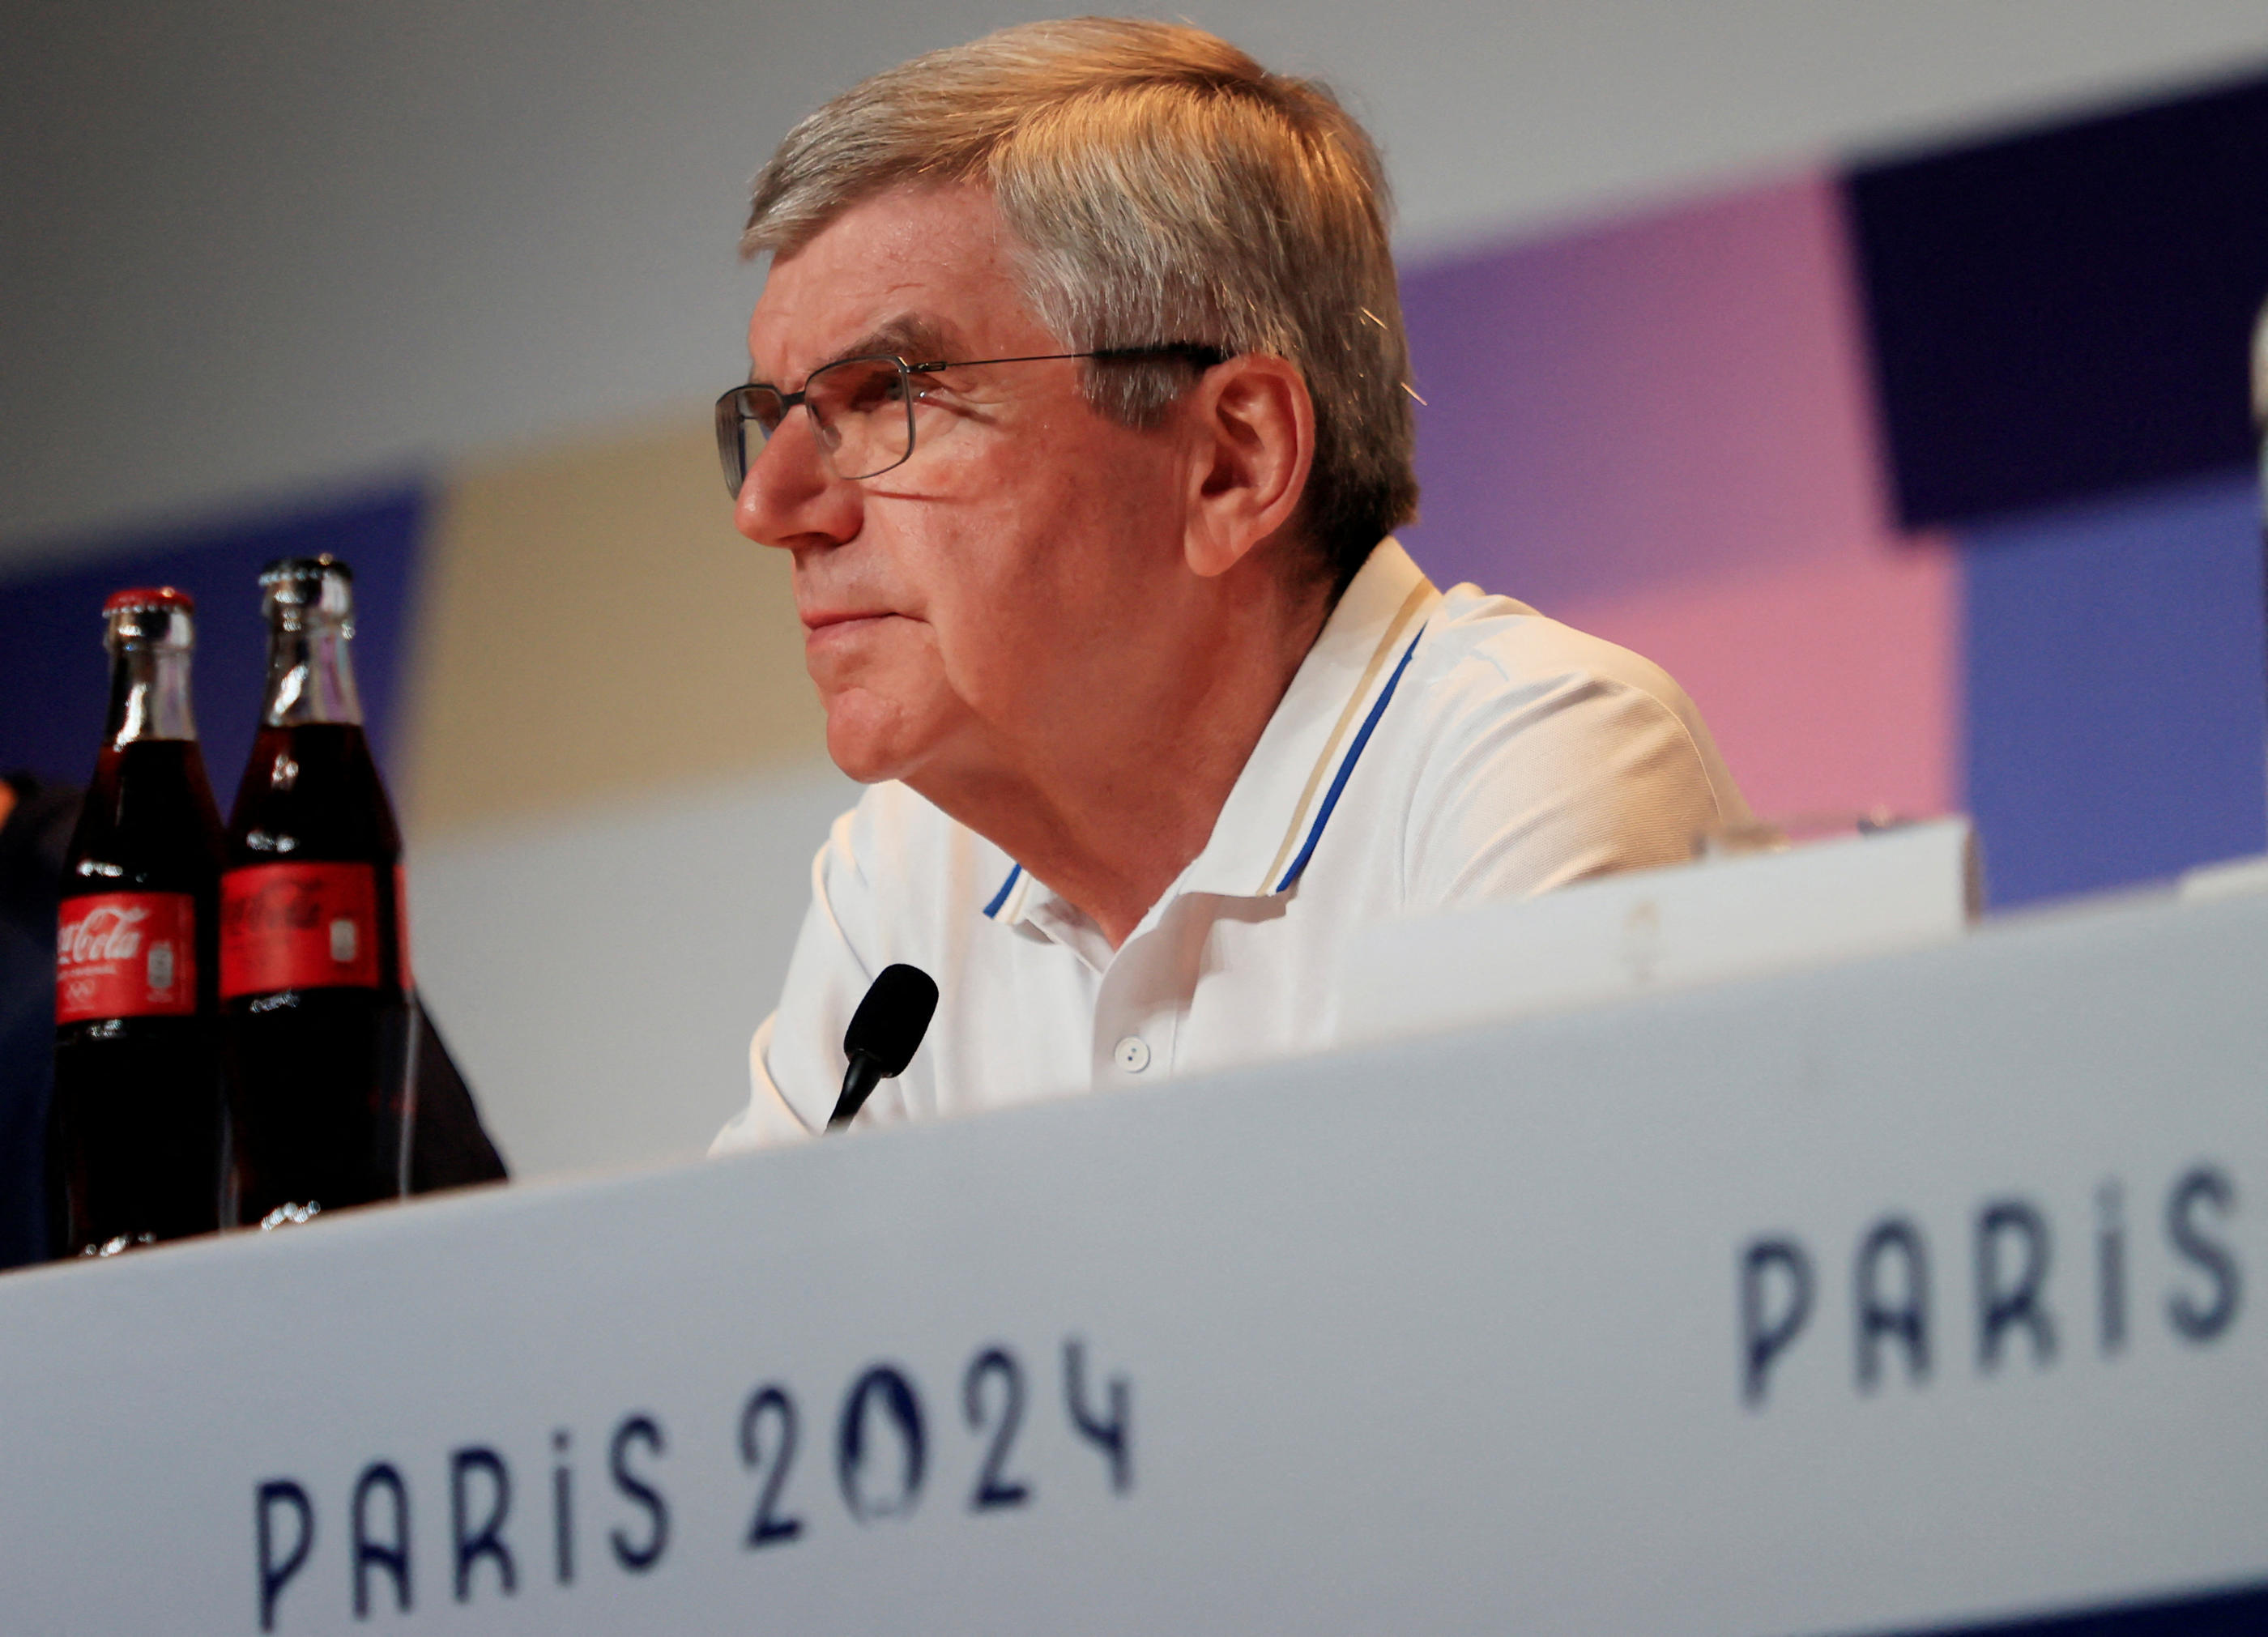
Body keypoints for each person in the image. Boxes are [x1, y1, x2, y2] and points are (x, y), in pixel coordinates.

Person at [710, 19, 1748, 1151]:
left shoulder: (1522, 766)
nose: (768, 510)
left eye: (889, 397)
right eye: (773, 417)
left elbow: (1489, 1308)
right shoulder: (906, 874)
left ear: (1230, 462)